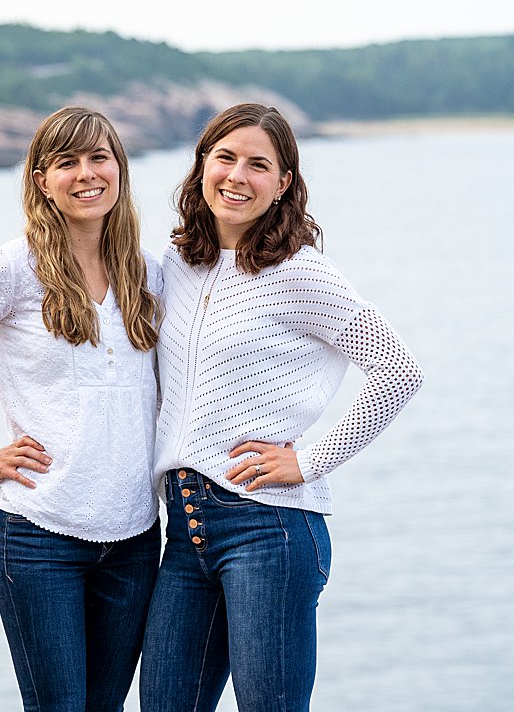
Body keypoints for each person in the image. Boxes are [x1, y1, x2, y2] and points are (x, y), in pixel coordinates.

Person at [140, 103, 424, 712]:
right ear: (201, 166)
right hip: (185, 530)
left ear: (283, 183)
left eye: (258, 165)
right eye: (225, 158)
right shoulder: (177, 265)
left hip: (269, 529)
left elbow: (398, 370)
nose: (238, 176)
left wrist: (311, 459)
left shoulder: (302, 273)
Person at [0, 106, 164, 712]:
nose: (86, 174)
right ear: (42, 180)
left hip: (136, 538)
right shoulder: (11, 269)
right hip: (41, 537)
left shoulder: (147, 272)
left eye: (100, 158)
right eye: (66, 162)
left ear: (120, 169)